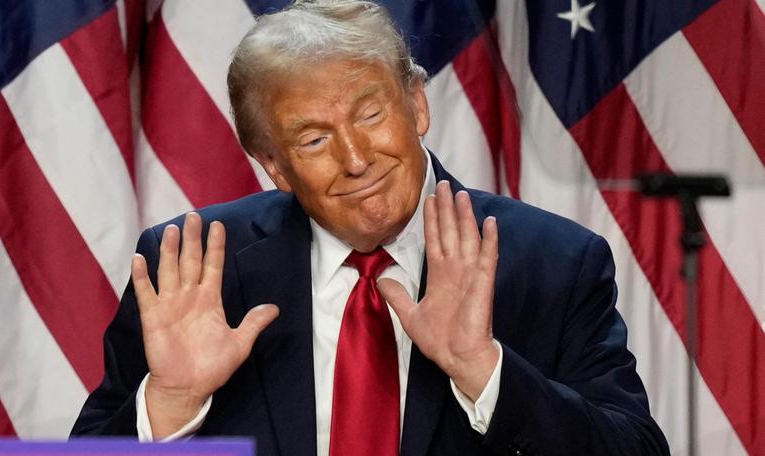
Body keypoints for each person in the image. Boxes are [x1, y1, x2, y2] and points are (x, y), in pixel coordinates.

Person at [72, 1, 669, 455]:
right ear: (273, 164)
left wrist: (484, 369)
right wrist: (172, 402)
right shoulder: (199, 268)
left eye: (371, 114)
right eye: (313, 139)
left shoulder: (551, 261)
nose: (356, 158)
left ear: (417, 104)